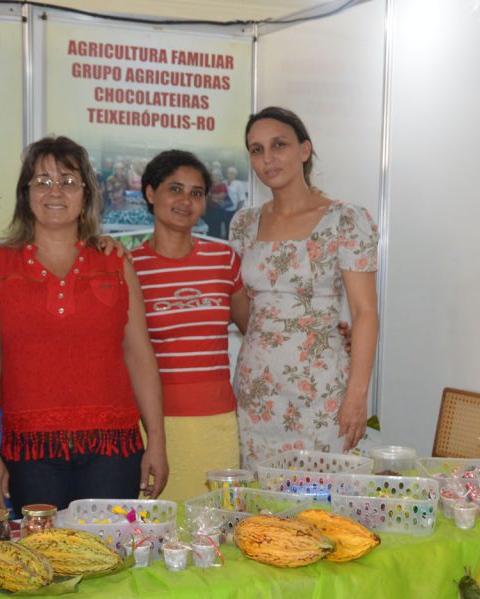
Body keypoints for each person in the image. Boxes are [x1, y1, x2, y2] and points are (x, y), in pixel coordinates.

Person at [0, 136, 168, 514]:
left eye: (68, 181)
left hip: (113, 451)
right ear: (25, 195)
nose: (55, 192)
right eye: (42, 182)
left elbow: (140, 355)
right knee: (44, 565)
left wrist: (156, 440)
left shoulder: (116, 263)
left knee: (109, 563)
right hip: (31, 455)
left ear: (86, 194)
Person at [229, 106, 380, 469]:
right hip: (257, 390)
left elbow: (365, 313)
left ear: (304, 150)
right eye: (257, 149)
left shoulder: (345, 220)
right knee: (262, 510)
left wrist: (357, 396)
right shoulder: (244, 224)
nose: (268, 158)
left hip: (322, 390)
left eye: (278, 144)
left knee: (324, 502)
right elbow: (244, 310)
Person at [131, 150, 249, 501]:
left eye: (196, 193)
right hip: (154, 425)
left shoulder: (224, 260)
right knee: (152, 535)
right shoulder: (129, 266)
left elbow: (258, 330)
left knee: (216, 530)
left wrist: (327, 332)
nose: (186, 201)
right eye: (175, 189)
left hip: (216, 422)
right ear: (151, 193)